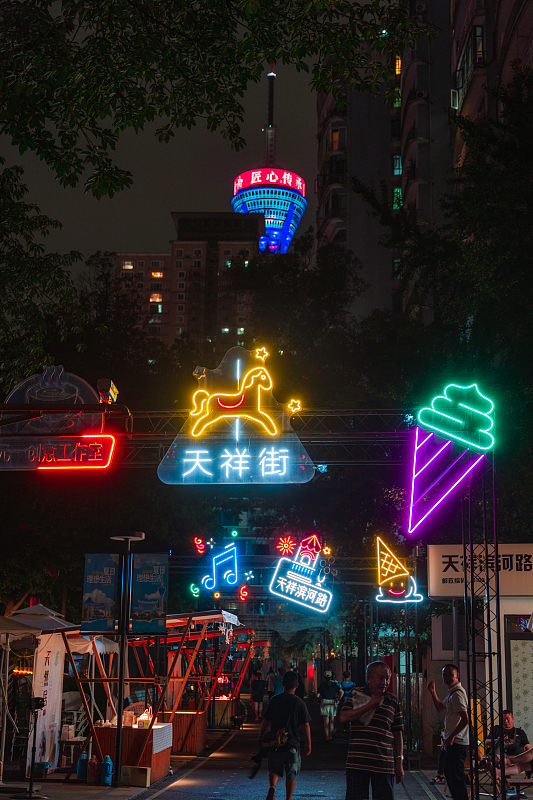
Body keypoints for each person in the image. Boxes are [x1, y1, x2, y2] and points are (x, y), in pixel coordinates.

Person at [340, 660, 403, 800]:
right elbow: (344, 717)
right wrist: (371, 705)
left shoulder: (393, 701)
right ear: (369, 679)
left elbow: (397, 733)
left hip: (384, 764)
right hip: (358, 763)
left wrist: (399, 761)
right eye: (381, 678)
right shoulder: (356, 694)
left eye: (387, 678)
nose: (384, 682)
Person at [258, 670, 312, 800]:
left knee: (274, 769)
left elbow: (266, 720)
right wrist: (308, 743)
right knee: (291, 773)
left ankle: (273, 787)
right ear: (297, 685)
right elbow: (305, 725)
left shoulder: (274, 700)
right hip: (292, 743)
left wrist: (261, 736)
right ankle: (289, 798)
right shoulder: (299, 703)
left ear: (282, 684)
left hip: (276, 741)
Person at [427, 664, 469, 800]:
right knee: (452, 778)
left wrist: (451, 736)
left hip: (457, 742)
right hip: (454, 742)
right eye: (444, 674)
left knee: (456, 780)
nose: (447, 678)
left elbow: (465, 719)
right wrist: (433, 692)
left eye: (450, 674)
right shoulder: (452, 692)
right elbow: (440, 708)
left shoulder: (457, 694)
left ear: (457, 675)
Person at [486, 710, 532, 776]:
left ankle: (529, 776)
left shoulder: (520, 732)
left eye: (508, 719)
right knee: (499, 755)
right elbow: (486, 742)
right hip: (500, 751)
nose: (506, 721)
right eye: (503, 719)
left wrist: (529, 754)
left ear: (512, 719)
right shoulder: (496, 729)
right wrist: (498, 740)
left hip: (516, 753)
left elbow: (528, 747)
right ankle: (502, 776)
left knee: (528, 756)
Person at [317, 670, 343, 741]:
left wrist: (319, 698)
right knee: (332, 720)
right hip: (333, 702)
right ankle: (331, 735)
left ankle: (327, 736)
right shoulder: (335, 685)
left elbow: (318, 695)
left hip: (324, 701)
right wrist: (339, 699)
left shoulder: (322, 685)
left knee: (326, 721)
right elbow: (341, 692)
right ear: (331, 677)